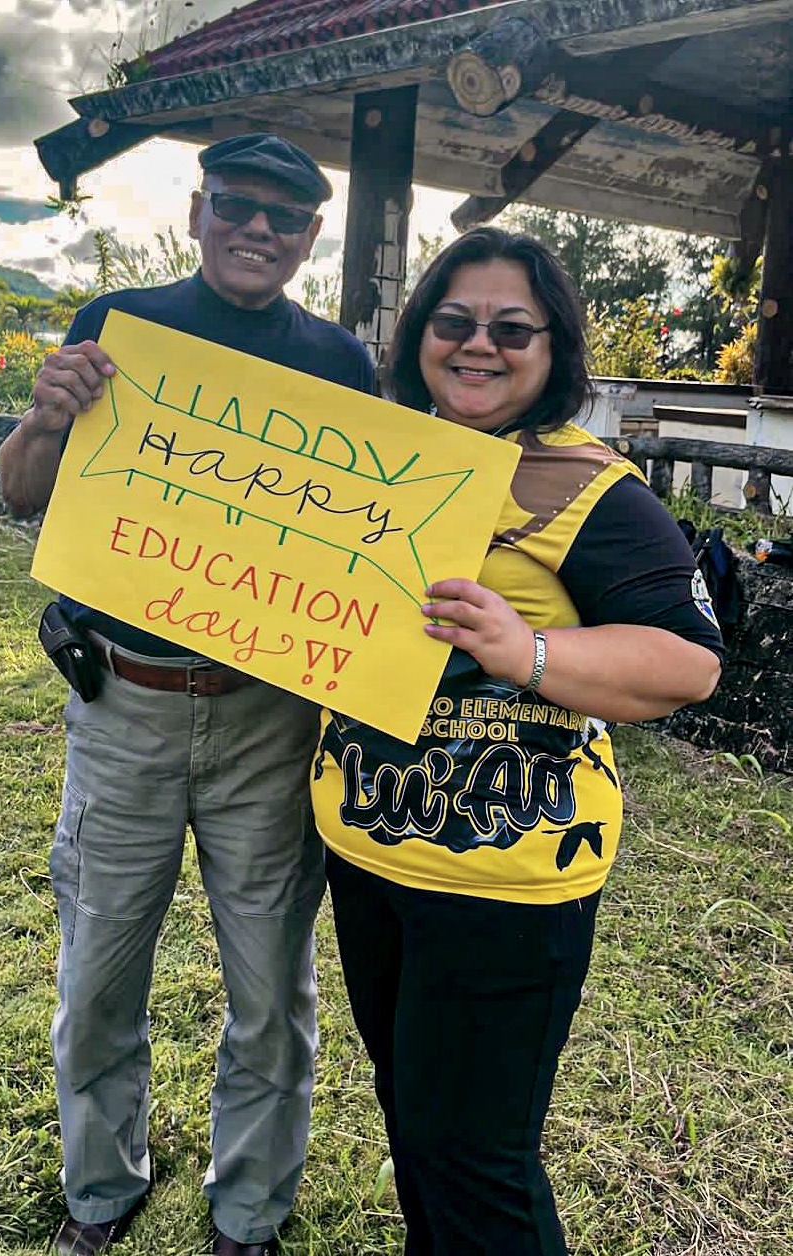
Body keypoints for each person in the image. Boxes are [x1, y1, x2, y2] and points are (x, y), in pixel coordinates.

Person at [310, 227, 724, 1255]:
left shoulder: (587, 486)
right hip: (367, 854)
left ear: (552, 348)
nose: (476, 344)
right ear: (418, 337)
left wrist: (525, 647)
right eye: (453, 322)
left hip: (504, 883)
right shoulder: (380, 459)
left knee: (477, 1159)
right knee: (414, 1119)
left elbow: (689, 662)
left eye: (509, 327)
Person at [0, 133, 377, 1256]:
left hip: (269, 714)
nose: (256, 229)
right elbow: (23, 494)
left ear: (311, 234)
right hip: (123, 704)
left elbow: (362, 547)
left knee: (271, 983)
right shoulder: (116, 327)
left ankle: (249, 1209)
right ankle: (99, 1189)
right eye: (236, 206)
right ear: (200, 208)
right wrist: (46, 414)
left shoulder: (343, 366)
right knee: (102, 968)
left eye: (283, 216)